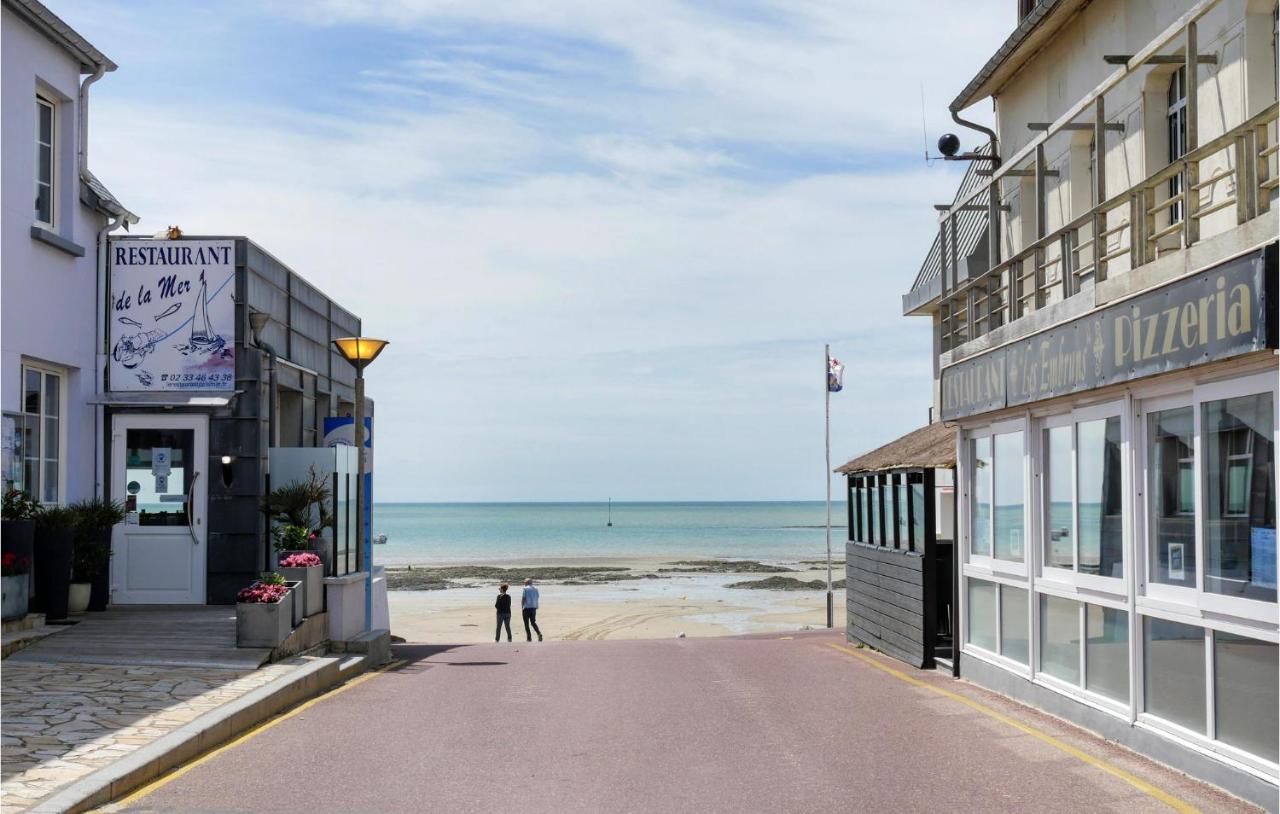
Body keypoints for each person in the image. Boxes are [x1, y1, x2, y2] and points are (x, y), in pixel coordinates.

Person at [521, 578, 543, 642]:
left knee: (526, 624)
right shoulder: (536, 589)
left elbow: (523, 598)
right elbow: (537, 597)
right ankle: (539, 633)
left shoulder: (525, 589)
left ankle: (529, 638)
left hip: (526, 608)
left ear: (527, 583)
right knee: (533, 622)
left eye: (525, 582)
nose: (524, 583)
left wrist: (522, 606)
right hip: (533, 608)